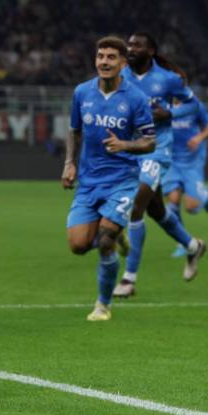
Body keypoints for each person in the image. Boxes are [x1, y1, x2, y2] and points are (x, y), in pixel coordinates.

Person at [63, 36, 156, 321]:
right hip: (89, 182)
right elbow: (74, 131)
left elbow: (150, 142)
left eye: (111, 57)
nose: (104, 61)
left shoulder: (136, 99)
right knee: (78, 245)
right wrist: (69, 163)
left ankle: (103, 305)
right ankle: (118, 236)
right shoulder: (82, 93)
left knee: (104, 240)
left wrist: (125, 145)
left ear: (123, 63)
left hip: (123, 180)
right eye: (101, 56)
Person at [113, 32, 207, 299]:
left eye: (137, 45)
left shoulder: (168, 79)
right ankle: (192, 246)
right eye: (128, 44)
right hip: (130, 151)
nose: (130, 48)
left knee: (137, 206)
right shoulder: (120, 77)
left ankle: (129, 279)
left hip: (157, 150)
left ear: (150, 51)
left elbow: (195, 106)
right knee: (157, 211)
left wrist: (170, 113)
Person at [162, 97, 208, 257]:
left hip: (192, 161)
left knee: (191, 207)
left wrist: (199, 137)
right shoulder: (163, 105)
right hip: (171, 160)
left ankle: (204, 196)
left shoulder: (194, 105)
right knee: (172, 200)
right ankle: (183, 241)